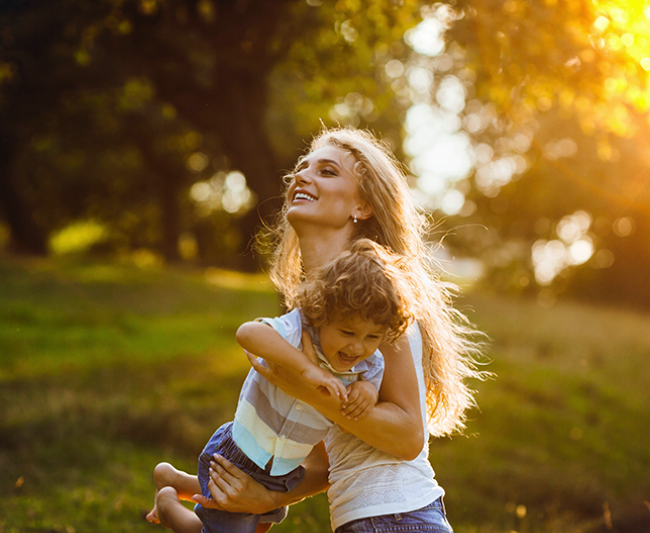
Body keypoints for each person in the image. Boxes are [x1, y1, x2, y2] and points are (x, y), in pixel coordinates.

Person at [159, 128, 487, 532]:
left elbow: (407, 437)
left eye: (327, 171)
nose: (302, 177)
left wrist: (305, 383)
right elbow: (325, 457)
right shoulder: (313, 312)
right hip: (355, 520)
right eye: (300, 170)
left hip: (401, 517)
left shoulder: (376, 295)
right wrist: (269, 498)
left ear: (363, 206)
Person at [147, 238, 415, 533]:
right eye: (347, 331)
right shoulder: (299, 328)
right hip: (242, 454)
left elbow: (374, 372)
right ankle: (169, 504)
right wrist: (307, 370)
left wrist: (367, 391)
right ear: (322, 314)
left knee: (248, 527)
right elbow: (248, 334)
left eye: (372, 337)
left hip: (284, 470)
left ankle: (177, 481)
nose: (357, 346)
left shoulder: (369, 362)